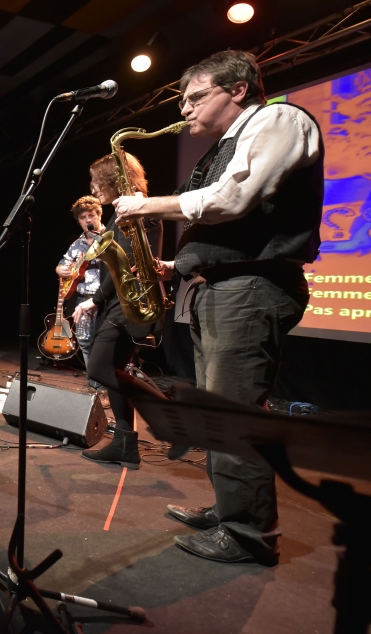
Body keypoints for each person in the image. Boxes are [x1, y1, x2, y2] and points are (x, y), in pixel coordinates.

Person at [111, 50, 322, 565]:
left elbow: (234, 199)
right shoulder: (223, 144)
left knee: (233, 417)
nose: (185, 109)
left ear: (239, 89)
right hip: (221, 287)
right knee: (215, 413)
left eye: (195, 97)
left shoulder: (280, 119)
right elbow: (219, 223)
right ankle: (232, 509)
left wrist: (145, 205)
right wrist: (174, 266)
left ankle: (250, 537)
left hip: (250, 288)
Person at [73, 152, 162, 470]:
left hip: (125, 302)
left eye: (97, 181)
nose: (94, 189)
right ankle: (125, 445)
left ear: (114, 179)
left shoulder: (136, 209)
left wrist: (96, 298)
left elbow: (126, 262)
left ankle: (164, 412)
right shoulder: (131, 209)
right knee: (115, 373)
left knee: (99, 369)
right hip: (123, 300)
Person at [55, 196, 105, 369]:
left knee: (107, 342)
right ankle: (93, 382)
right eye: (83, 218)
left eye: (91, 215)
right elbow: (63, 263)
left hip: (106, 298)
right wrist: (60, 269)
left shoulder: (110, 238)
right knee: (84, 342)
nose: (88, 220)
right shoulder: (77, 244)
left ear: (99, 215)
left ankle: (110, 384)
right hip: (83, 299)